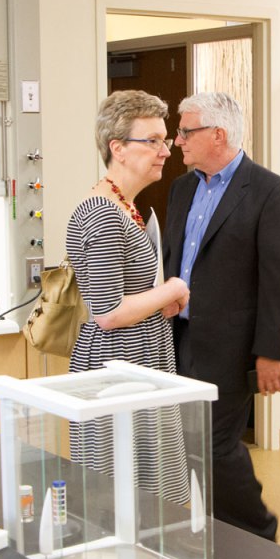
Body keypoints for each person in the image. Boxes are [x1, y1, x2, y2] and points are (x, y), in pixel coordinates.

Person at [164, 92, 280, 542]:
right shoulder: (182, 188)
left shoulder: (269, 192)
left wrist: (270, 353)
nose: (177, 140)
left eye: (186, 131)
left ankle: (257, 531)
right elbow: (173, 261)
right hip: (177, 337)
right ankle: (218, 529)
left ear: (217, 135)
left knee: (217, 444)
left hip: (231, 343)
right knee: (191, 444)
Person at [65, 90, 192, 503]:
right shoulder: (102, 212)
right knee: (121, 486)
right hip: (117, 362)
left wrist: (158, 299)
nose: (164, 152)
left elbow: (125, 294)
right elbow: (108, 312)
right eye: (151, 141)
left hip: (138, 354)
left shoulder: (125, 206)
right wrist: (172, 289)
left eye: (165, 140)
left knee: (148, 481)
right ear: (117, 148)